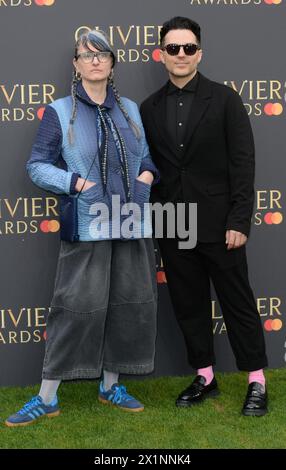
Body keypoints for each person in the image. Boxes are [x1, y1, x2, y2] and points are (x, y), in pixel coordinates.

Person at [5, 29, 159, 427]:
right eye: (86, 55)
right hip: (89, 224)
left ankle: (111, 386)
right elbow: (37, 165)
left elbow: (147, 159)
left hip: (131, 222)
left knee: (129, 307)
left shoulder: (130, 108)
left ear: (111, 63)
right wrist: (77, 184)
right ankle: (47, 397)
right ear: (75, 65)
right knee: (74, 309)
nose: (94, 60)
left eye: (102, 54)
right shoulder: (59, 111)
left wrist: (145, 179)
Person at [140, 16, 268, 416]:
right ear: (161, 54)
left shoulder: (226, 99)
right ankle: (206, 376)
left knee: (238, 302)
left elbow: (243, 163)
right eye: (173, 48)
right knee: (189, 303)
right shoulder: (148, 108)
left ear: (200, 52)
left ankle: (256, 381)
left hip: (219, 222)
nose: (181, 54)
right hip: (172, 222)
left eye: (189, 47)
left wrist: (239, 220)